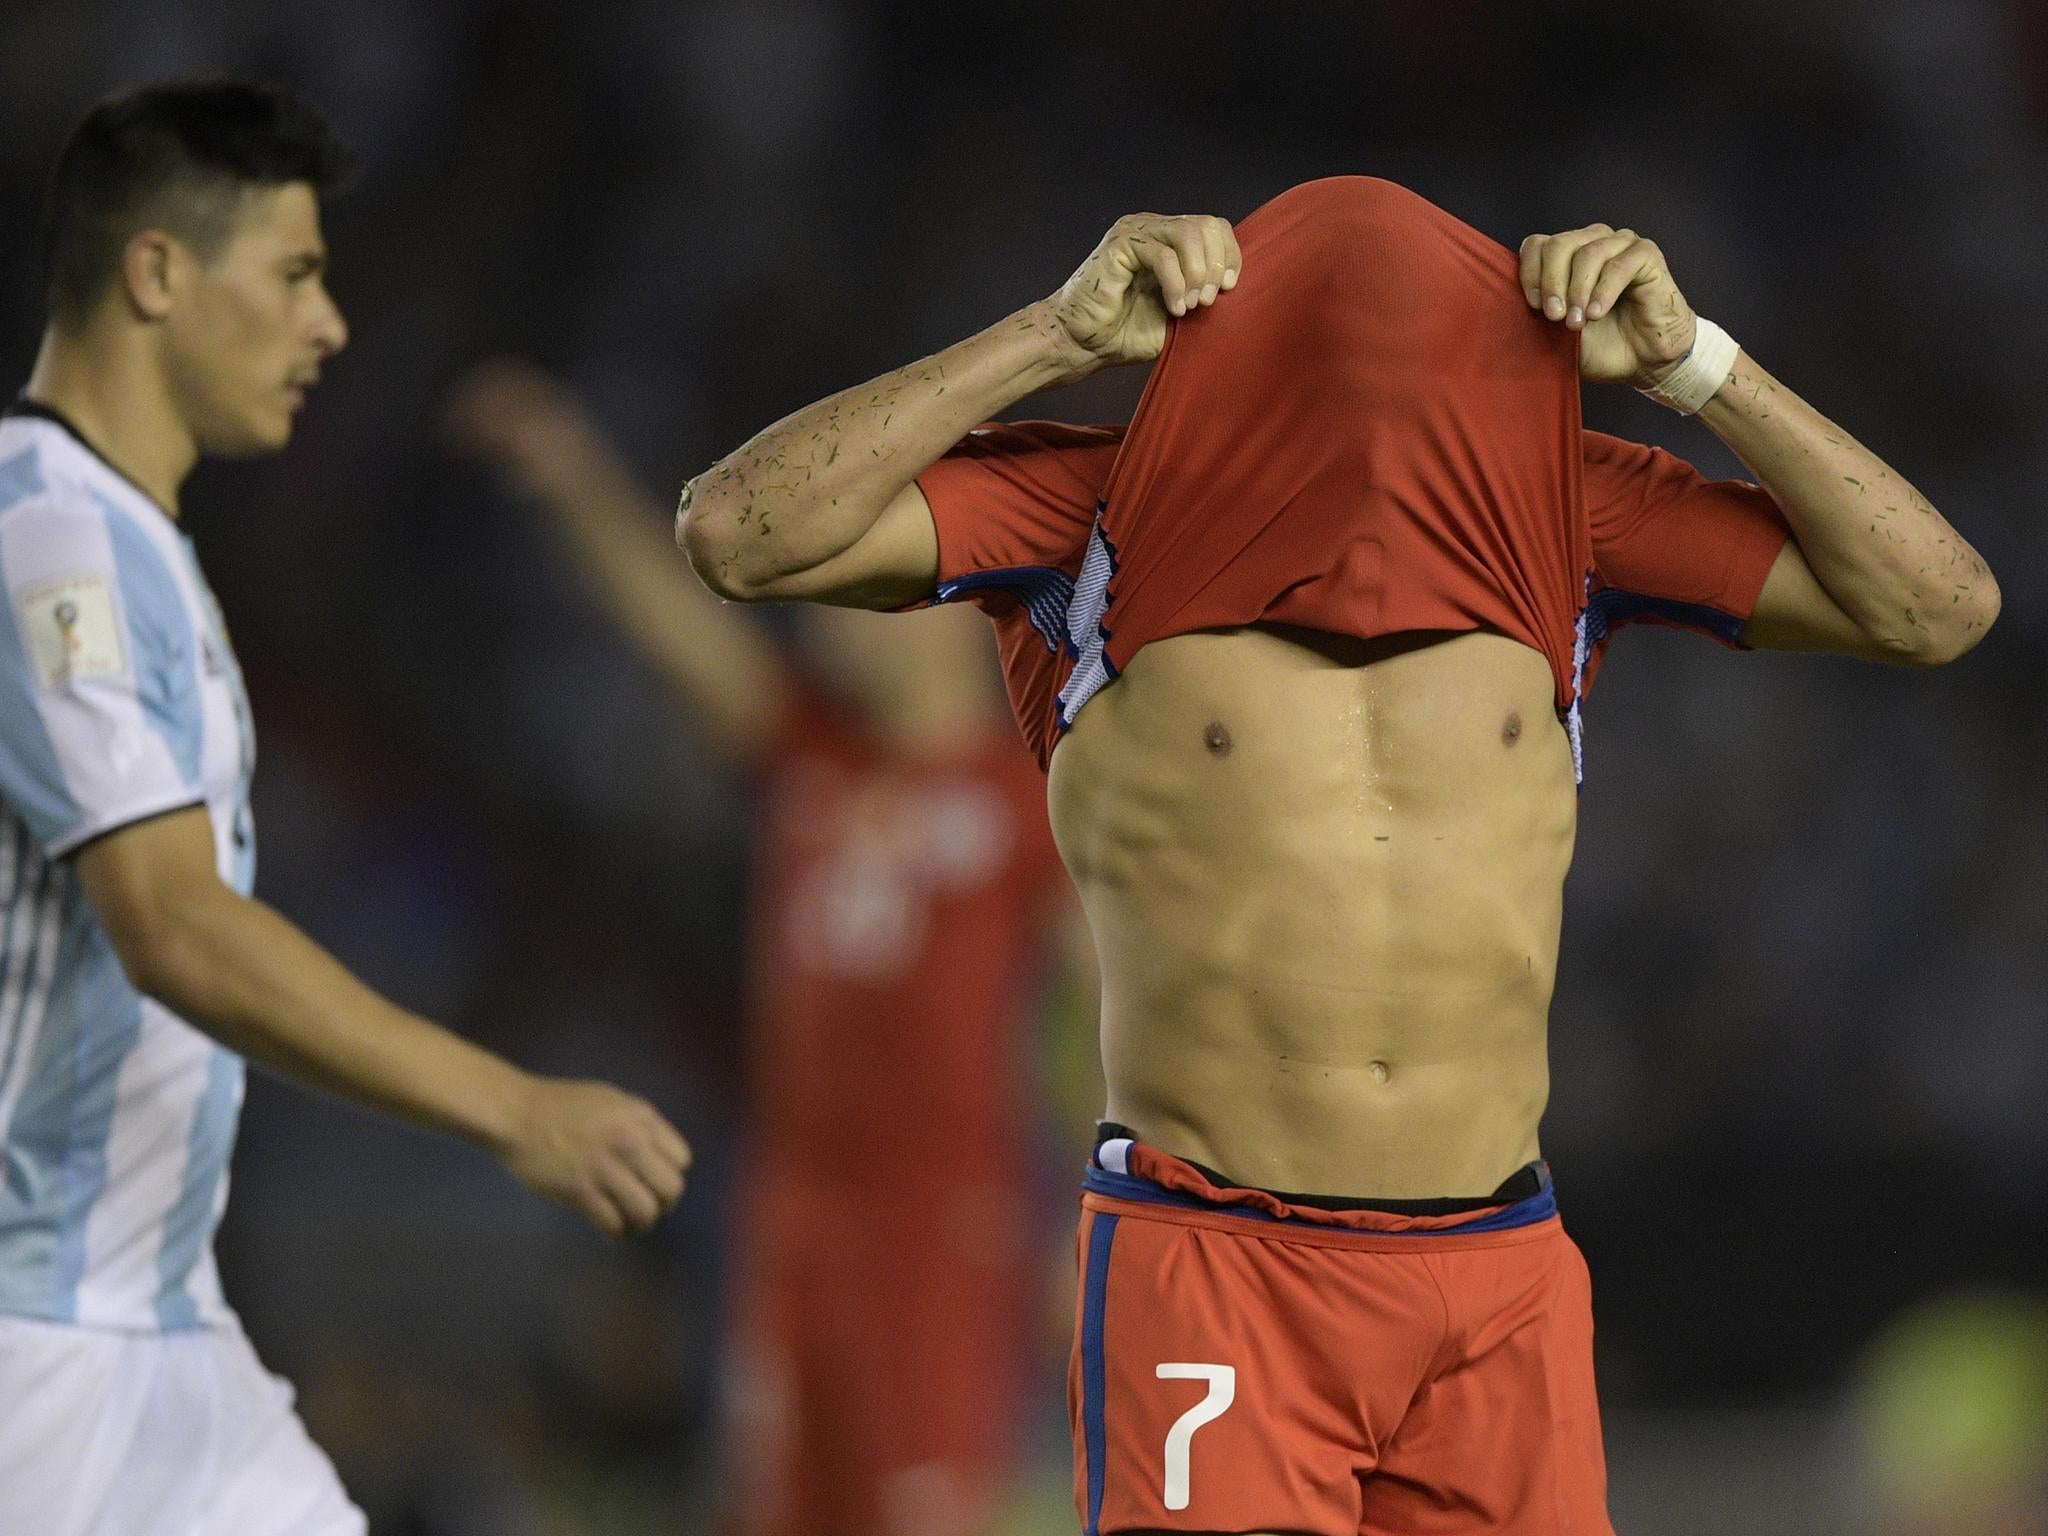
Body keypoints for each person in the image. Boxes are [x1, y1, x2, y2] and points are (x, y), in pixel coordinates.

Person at [676, 176, 1999, 1536]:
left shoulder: (1566, 510)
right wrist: (1051, 336)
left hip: (1494, 1269)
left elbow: (1937, 604)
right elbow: (737, 529)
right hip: (1220, 1261)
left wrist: (1697, 366)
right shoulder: (1091, 512)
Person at [0, 80, 691, 1536]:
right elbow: (172, 924)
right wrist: (511, 1106)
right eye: (295, 274)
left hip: (154, 1327)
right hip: (41, 1345)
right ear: (156, 273)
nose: (328, 324)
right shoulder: (52, 542)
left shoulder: (132, 545)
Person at [449, 362, 1089, 1536]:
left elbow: (1105, 1014)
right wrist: (575, 480)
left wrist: (1086, 1215)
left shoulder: (1028, 799)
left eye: (849, 586)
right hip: (795, 1212)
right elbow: (673, 631)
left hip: (944, 1226)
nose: (818, 613)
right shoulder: (808, 752)